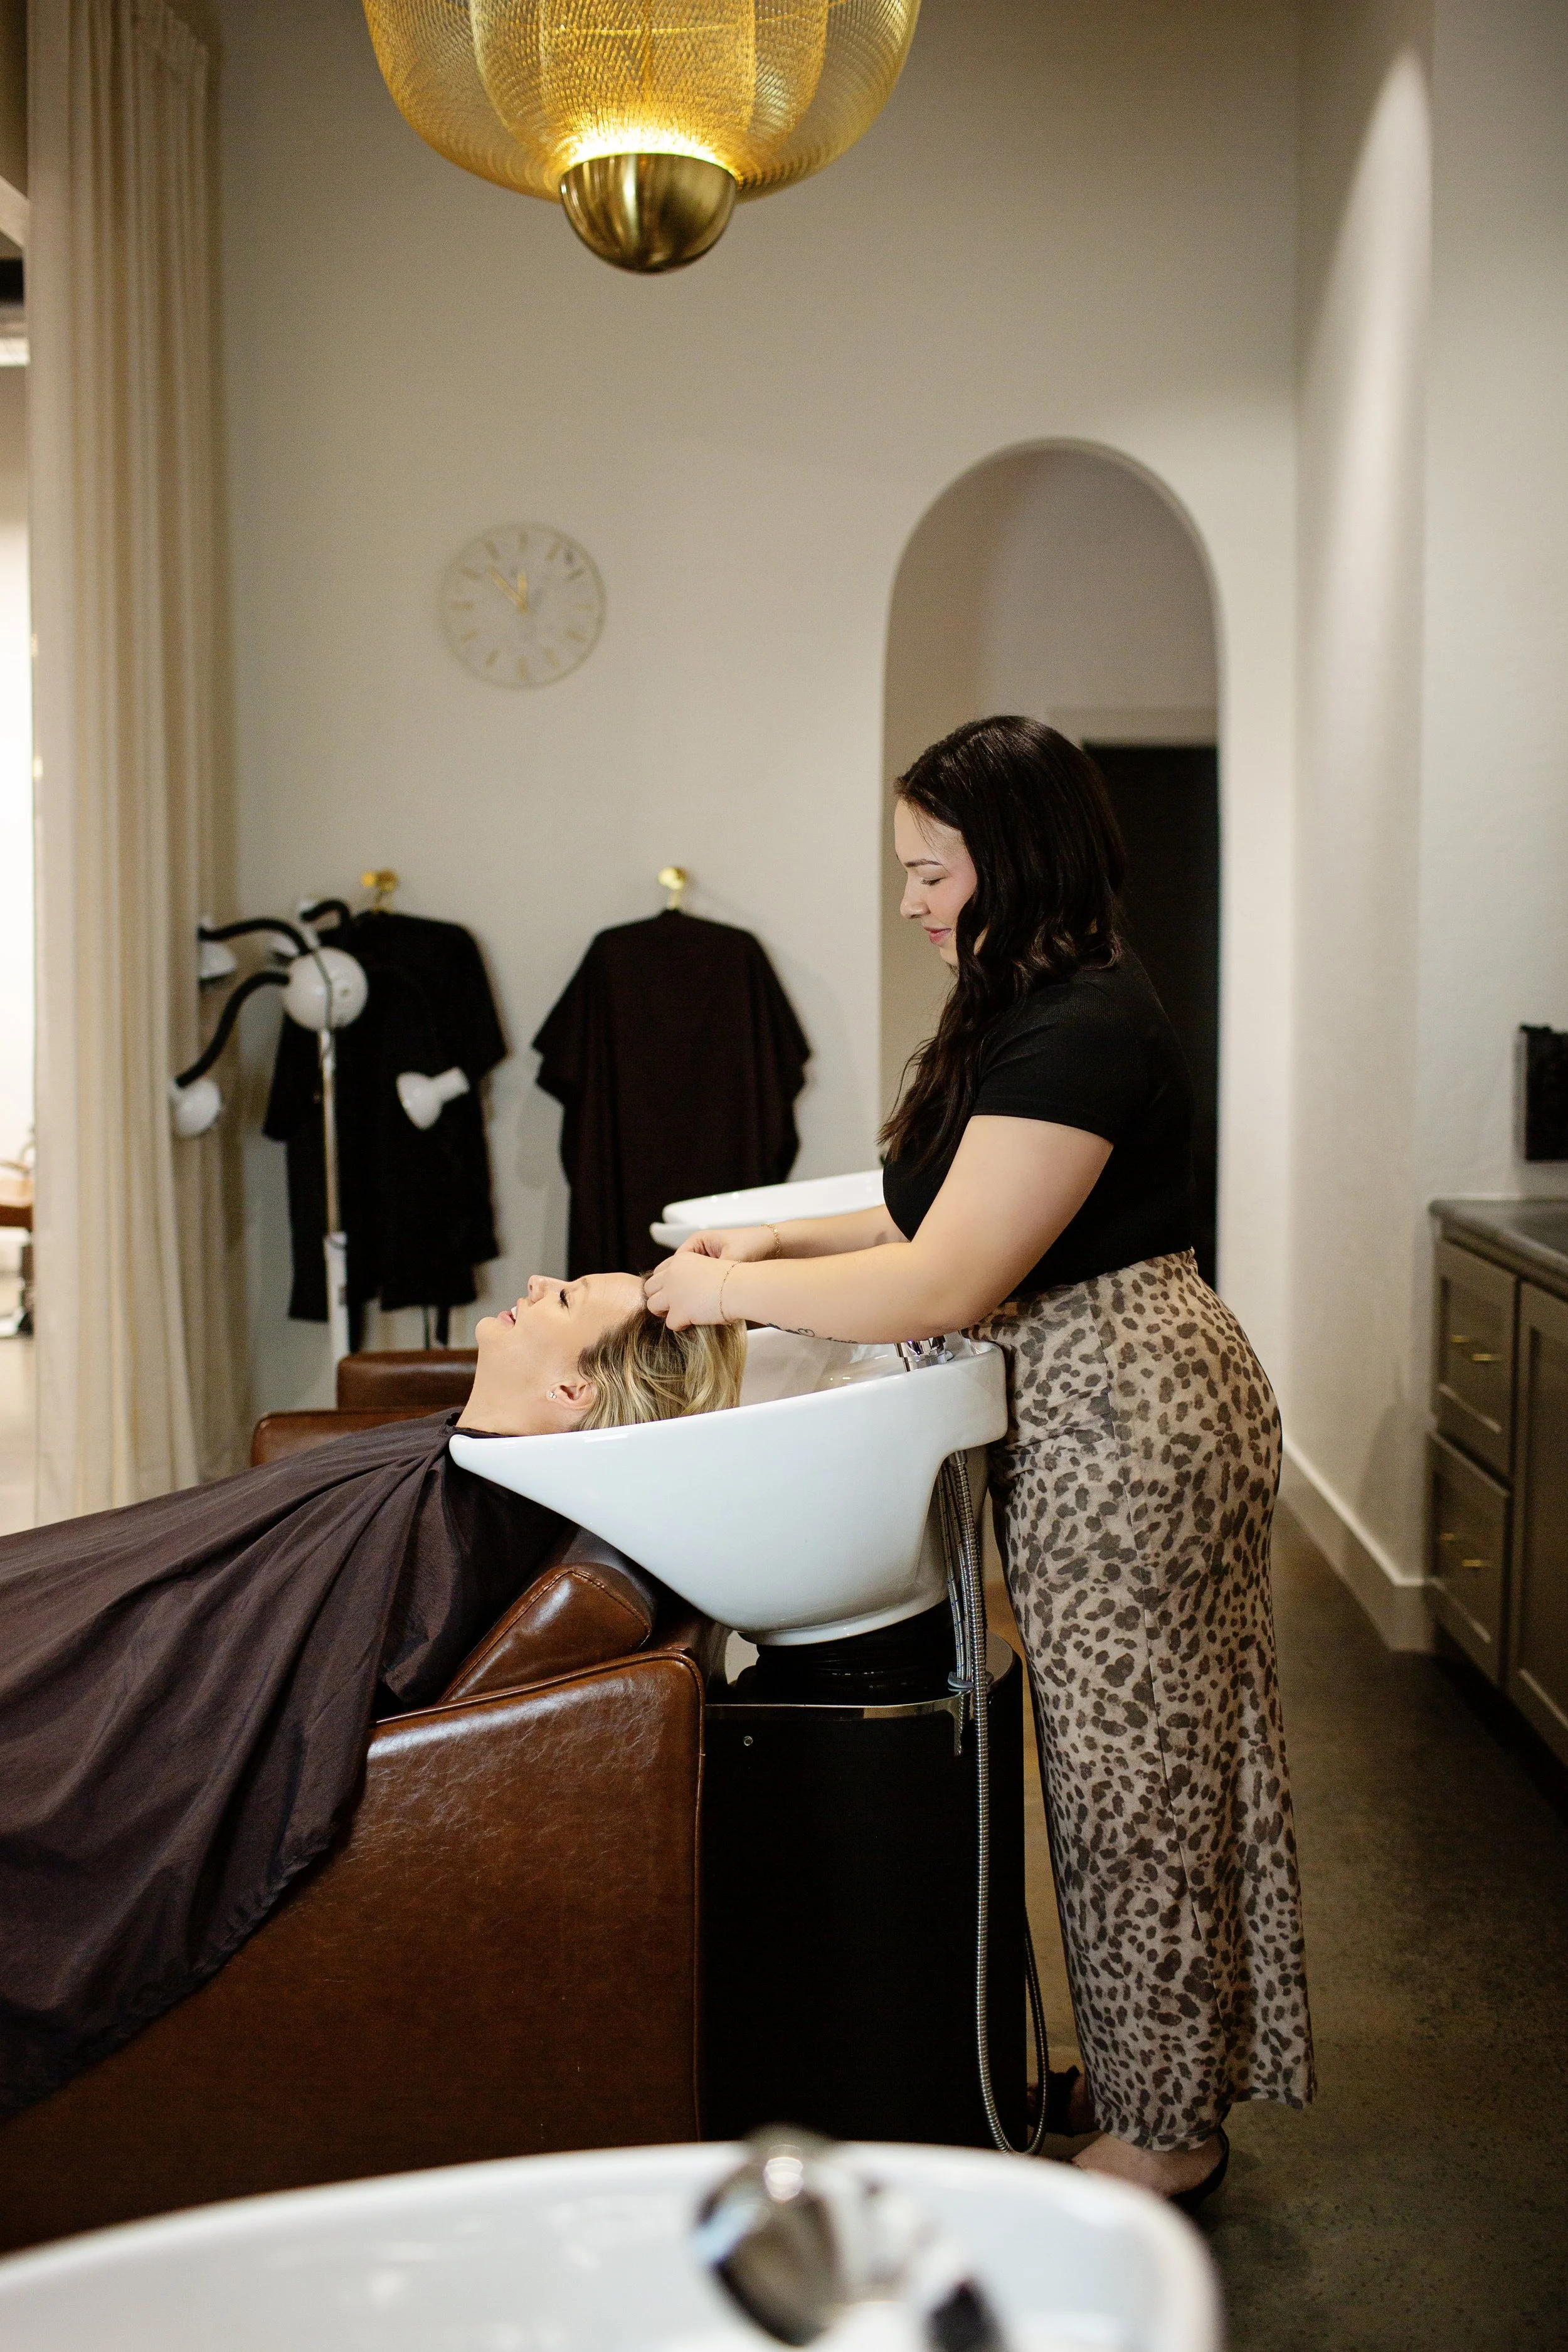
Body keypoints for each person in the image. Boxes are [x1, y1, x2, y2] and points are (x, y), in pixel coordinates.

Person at [645, 714, 1313, 2206]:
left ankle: (1163, 2132)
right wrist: (767, 1237)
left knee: (1130, 1779)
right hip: (1088, 1400)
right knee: (1122, 1769)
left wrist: (734, 1291)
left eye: (927, 868)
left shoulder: (1081, 1022)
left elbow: (946, 1283)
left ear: (1009, 854)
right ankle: (1162, 2080)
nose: (909, 900)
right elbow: (925, 1216)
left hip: (1129, 1418)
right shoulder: (1024, 1004)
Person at [0, 1281, 741, 2118]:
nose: (537, 1284)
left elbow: (296, 1664)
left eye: (564, 1298)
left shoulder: (463, 1523)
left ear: (573, 1392)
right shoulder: (461, 1476)